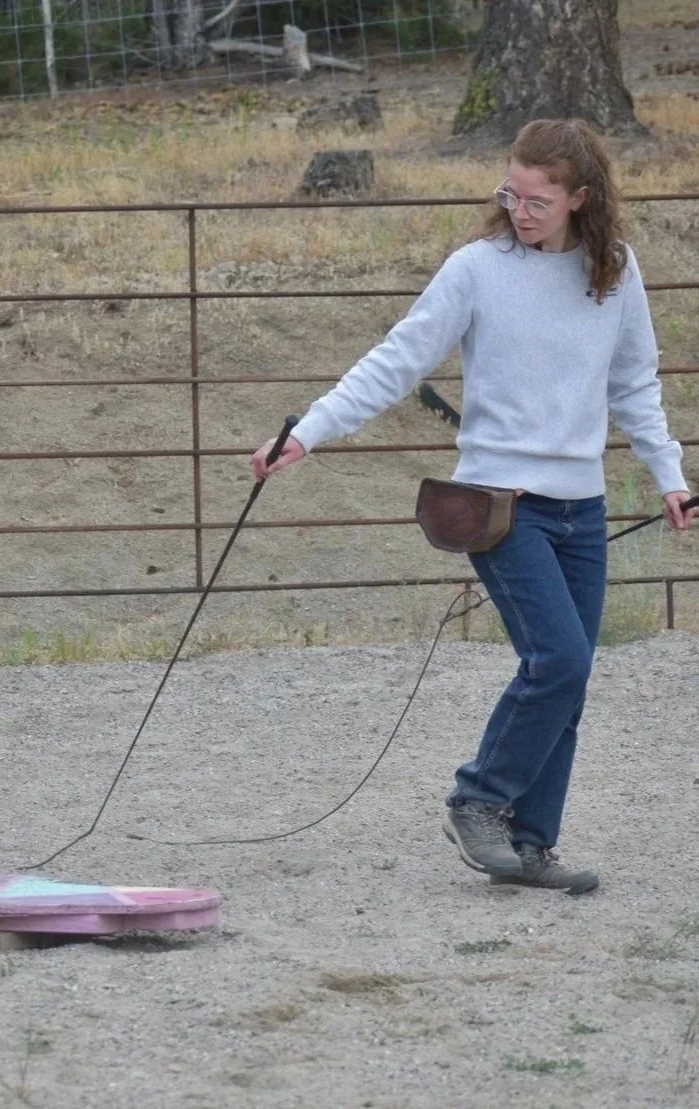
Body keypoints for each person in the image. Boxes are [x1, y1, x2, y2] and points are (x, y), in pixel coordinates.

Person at [249, 118, 695, 895]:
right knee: (559, 659)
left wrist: (670, 475)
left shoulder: (616, 272)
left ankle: (531, 843)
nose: (519, 210)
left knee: (569, 675)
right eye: (510, 194)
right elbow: (397, 360)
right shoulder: (475, 270)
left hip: (580, 509)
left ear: (581, 199)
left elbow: (635, 385)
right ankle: (478, 797)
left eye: (537, 199)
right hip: (499, 505)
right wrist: (309, 432)